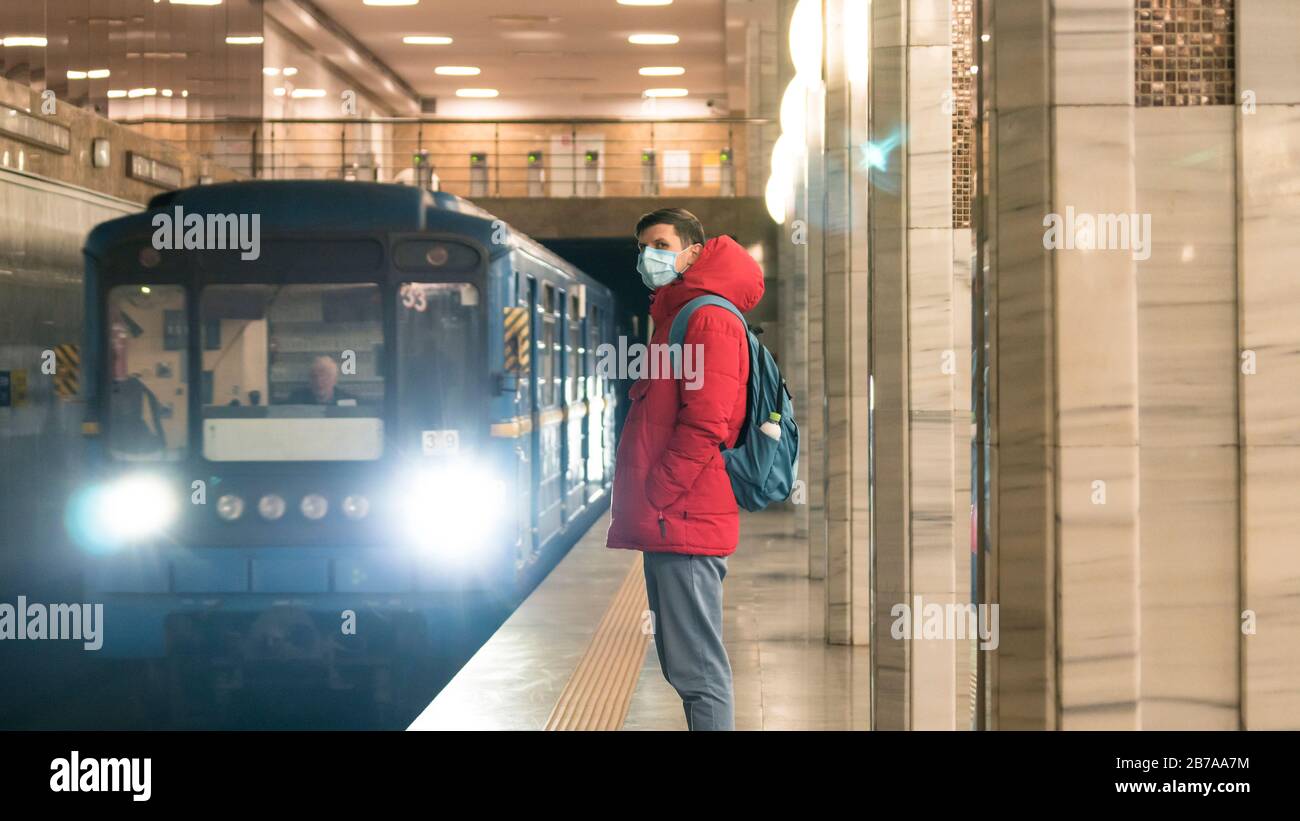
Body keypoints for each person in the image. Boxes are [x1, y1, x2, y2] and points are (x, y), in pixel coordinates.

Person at [606, 207, 764, 731]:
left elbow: (707, 421)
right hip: (675, 517)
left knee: (698, 671)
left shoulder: (707, 317)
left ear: (693, 252)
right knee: (684, 664)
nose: (648, 257)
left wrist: (659, 491)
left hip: (685, 514)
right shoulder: (678, 316)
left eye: (659, 244)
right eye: (642, 247)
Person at [287, 355, 356, 405]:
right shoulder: (297, 400)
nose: (319, 381)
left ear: (334, 380)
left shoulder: (347, 400)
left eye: (325, 377)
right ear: (310, 380)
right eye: (314, 377)